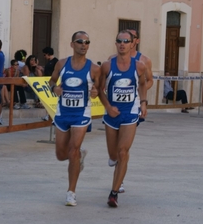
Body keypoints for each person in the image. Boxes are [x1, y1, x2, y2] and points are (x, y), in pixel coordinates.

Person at [49, 31, 100, 206]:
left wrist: (95, 92)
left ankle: (71, 192)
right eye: (80, 41)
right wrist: (54, 89)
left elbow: (98, 90)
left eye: (87, 42)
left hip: (81, 115)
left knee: (73, 150)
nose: (83, 45)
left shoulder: (93, 68)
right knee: (61, 154)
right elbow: (51, 82)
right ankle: (79, 157)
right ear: (72, 44)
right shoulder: (62, 64)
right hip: (63, 113)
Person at [99, 30, 147, 208]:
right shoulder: (107, 65)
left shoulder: (139, 66)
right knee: (113, 155)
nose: (122, 44)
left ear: (132, 43)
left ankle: (114, 193)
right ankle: (116, 166)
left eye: (126, 41)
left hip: (130, 113)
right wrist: (108, 107)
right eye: (119, 41)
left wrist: (143, 102)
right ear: (116, 43)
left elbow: (142, 84)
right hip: (112, 114)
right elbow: (99, 89)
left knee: (123, 152)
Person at [41, 47, 58, 120]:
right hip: (47, 82)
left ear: (48, 54)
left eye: (44, 55)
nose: (44, 57)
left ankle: (50, 115)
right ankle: (47, 115)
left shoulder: (55, 61)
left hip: (53, 82)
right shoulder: (49, 62)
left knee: (53, 99)